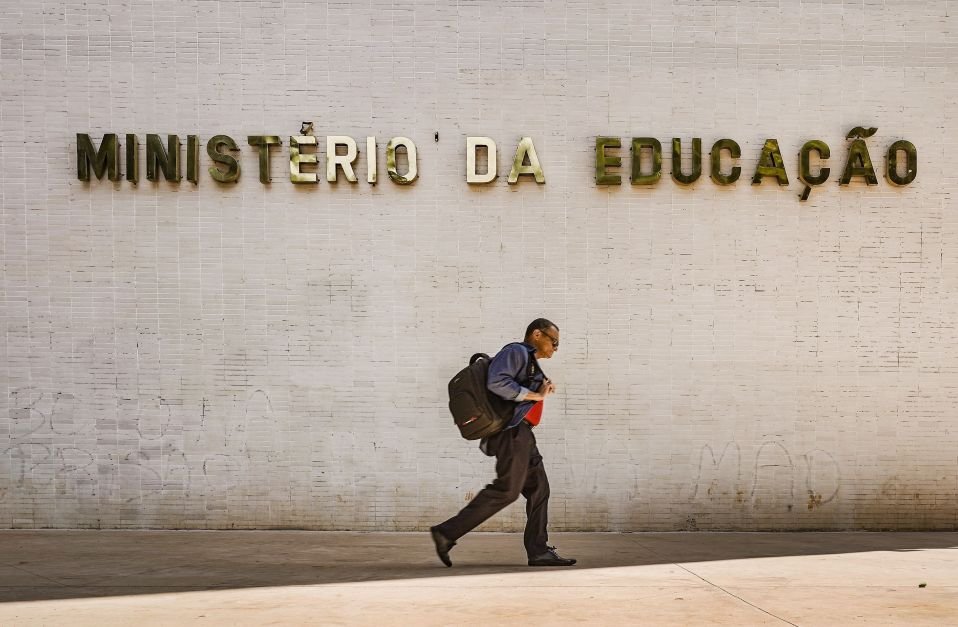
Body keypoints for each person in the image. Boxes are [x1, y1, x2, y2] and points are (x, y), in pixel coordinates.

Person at [430, 318, 576, 567]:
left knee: (540, 488)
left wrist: (540, 390)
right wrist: (536, 395)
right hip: (511, 433)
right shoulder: (516, 351)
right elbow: (496, 382)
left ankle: (539, 551)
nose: (555, 348)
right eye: (554, 342)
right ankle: (446, 532)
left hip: (523, 434)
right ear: (537, 334)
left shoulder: (529, 362)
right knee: (507, 490)